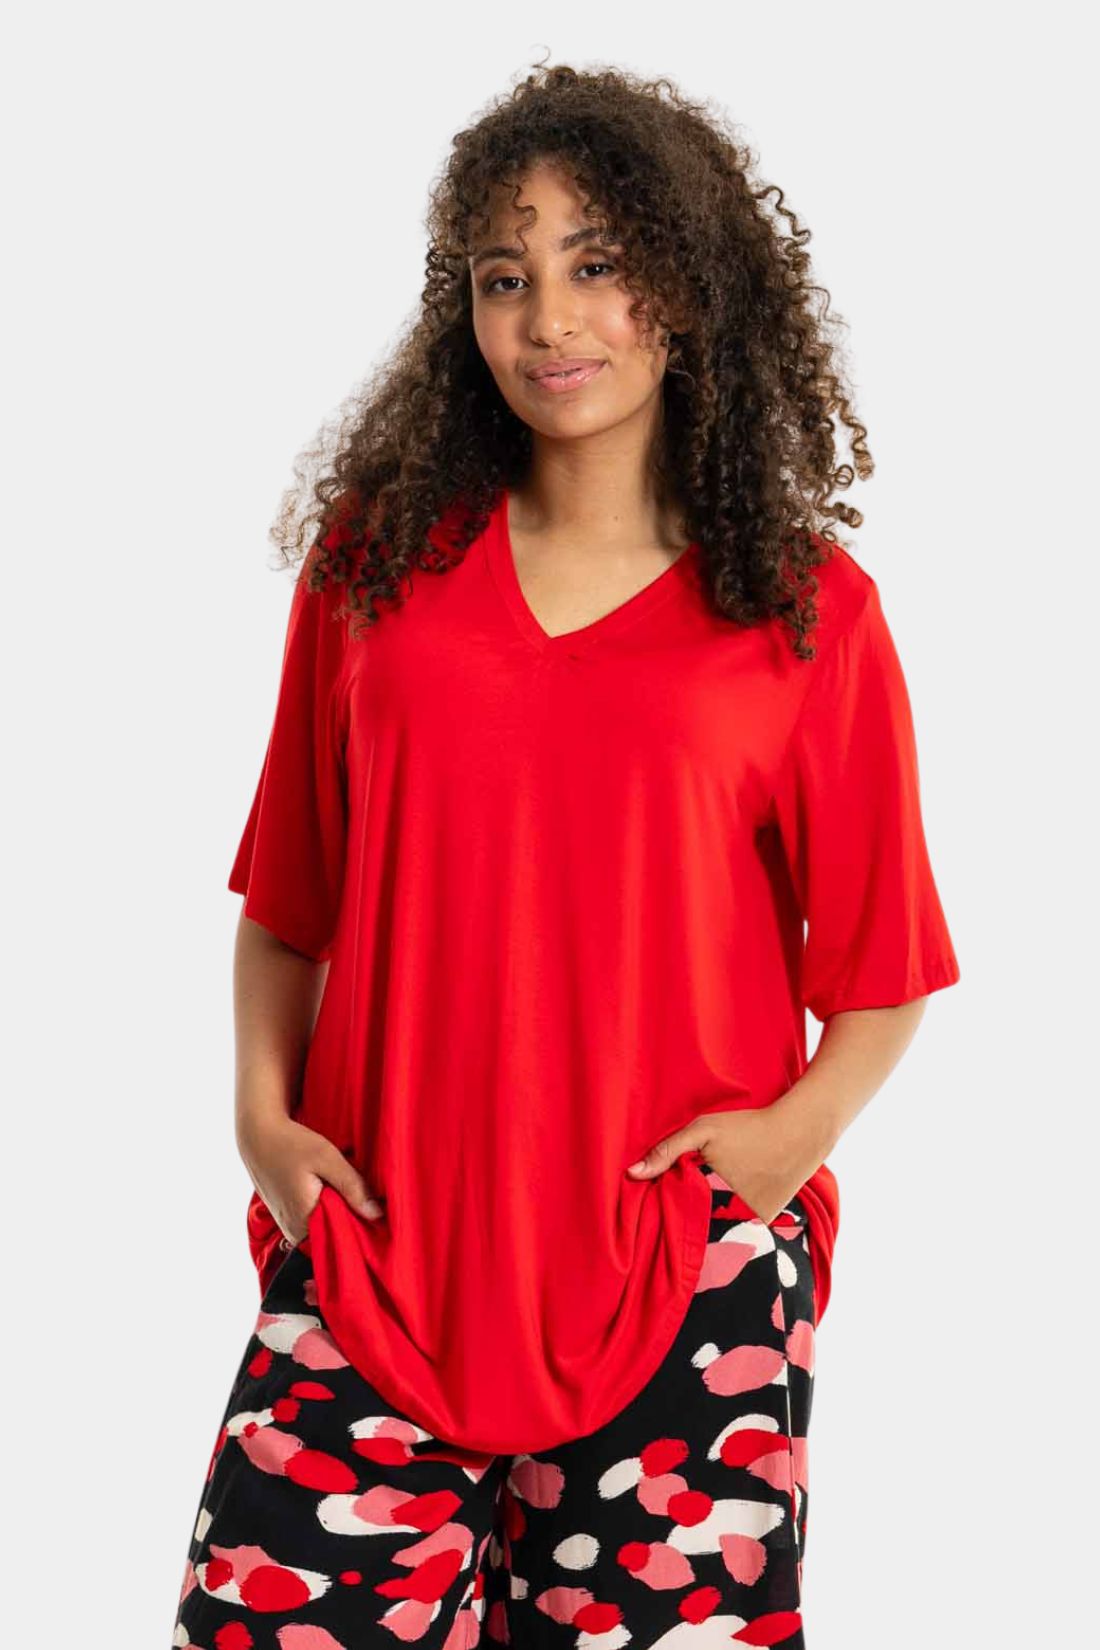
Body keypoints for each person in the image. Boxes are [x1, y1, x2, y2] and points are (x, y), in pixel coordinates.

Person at [172, 63, 960, 1650]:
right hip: (376, 1257)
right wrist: (261, 1120)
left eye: (598, 263)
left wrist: (781, 1153)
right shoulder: (376, 566)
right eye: (502, 275)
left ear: (688, 283)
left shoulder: (805, 612)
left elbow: (882, 971)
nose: (549, 319)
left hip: (680, 1282)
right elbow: (288, 903)